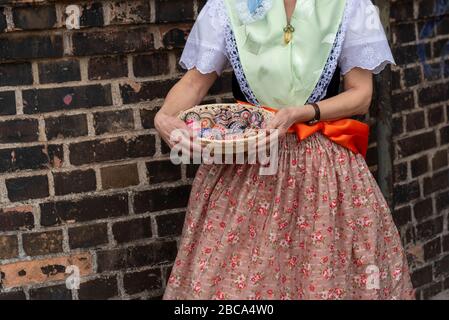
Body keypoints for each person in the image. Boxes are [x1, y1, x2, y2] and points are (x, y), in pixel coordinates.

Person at [157, 0, 415, 300]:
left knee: (322, 274)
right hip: (249, 163)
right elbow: (193, 84)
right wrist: (163, 116)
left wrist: (303, 112)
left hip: (322, 167)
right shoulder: (227, 6)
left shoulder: (349, 5)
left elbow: (361, 95)